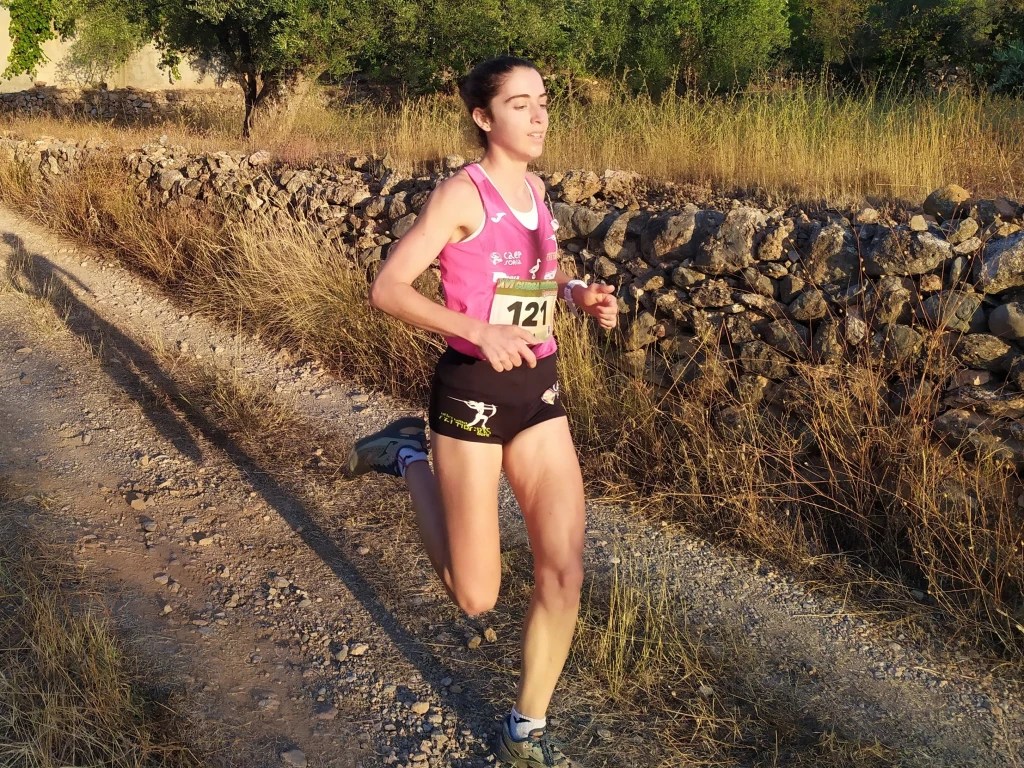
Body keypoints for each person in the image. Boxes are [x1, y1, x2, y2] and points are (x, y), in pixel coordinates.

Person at [347, 55, 617, 767]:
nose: (539, 115)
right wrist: (477, 331)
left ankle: (525, 730)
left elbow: (536, 277)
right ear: (483, 116)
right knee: (476, 597)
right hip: (470, 395)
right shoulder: (460, 195)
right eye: (520, 104)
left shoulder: (536, 191)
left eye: (544, 101)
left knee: (563, 571)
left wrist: (578, 295)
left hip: (539, 395)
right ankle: (409, 454)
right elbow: (388, 289)